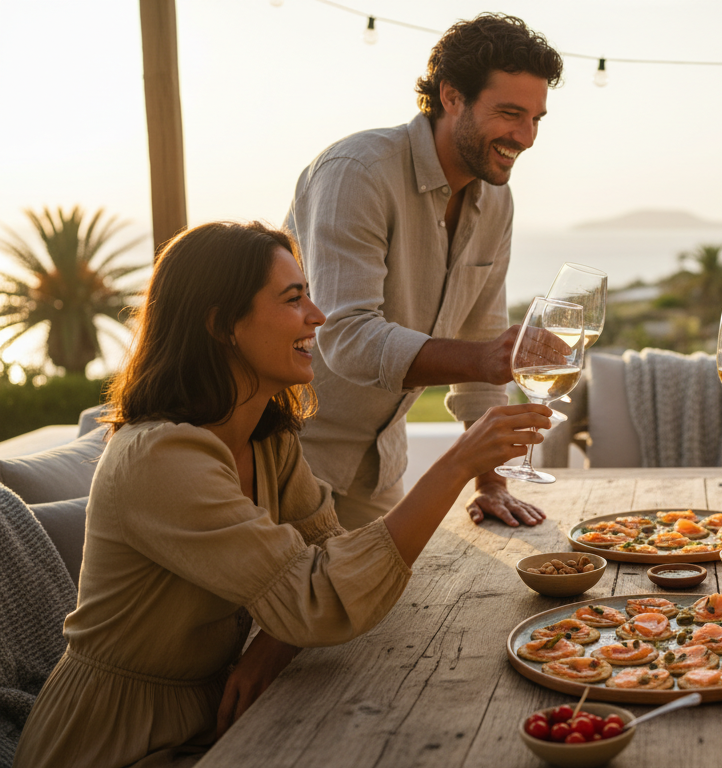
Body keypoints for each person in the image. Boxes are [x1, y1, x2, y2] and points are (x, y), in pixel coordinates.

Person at [12, 222, 549, 768]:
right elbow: (317, 600)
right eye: (294, 300)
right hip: (114, 740)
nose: (318, 317)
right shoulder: (160, 459)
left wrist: (277, 642)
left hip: (216, 714)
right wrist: (457, 464)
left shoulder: (267, 441)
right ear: (221, 324)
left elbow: (326, 564)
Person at [285, 13, 563, 531]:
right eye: (509, 113)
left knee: (404, 609)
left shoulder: (496, 201)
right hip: (292, 458)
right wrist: (484, 358)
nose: (525, 137)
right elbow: (346, 337)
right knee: (301, 611)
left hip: (380, 467)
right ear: (451, 96)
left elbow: (480, 342)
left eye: (536, 118)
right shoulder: (357, 173)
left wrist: (492, 482)